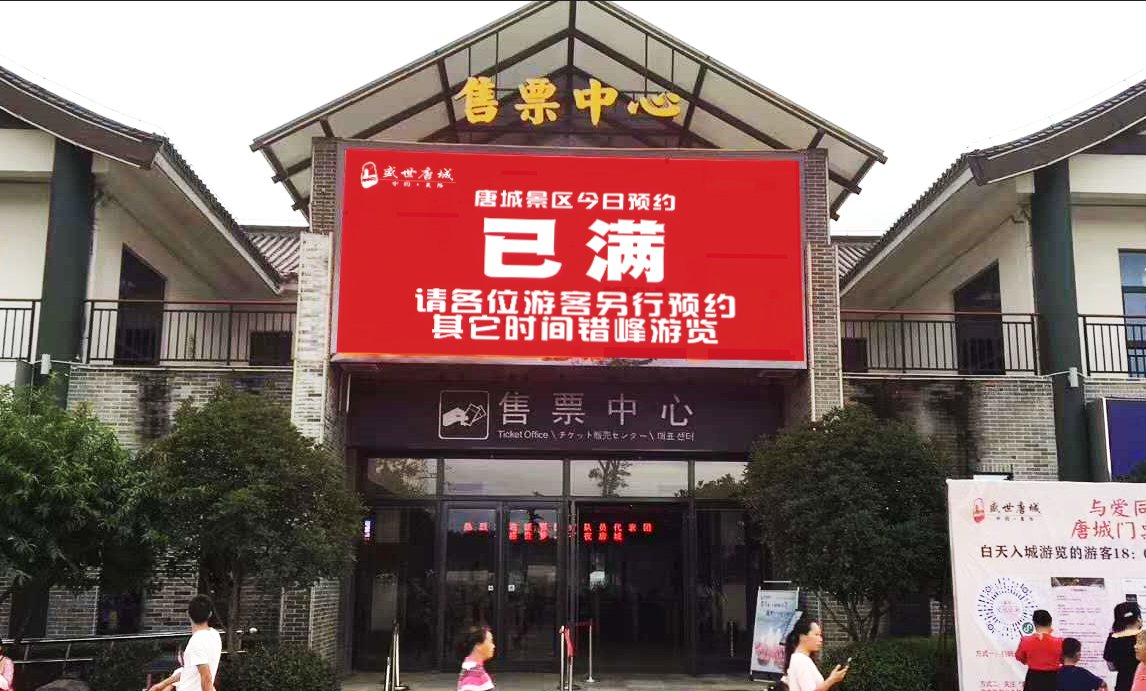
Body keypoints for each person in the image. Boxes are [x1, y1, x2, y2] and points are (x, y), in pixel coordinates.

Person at [148, 594, 223, 691]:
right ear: (210, 614)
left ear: (188, 614)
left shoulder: (197, 641)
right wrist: (162, 684)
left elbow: (206, 677)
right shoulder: (215, 635)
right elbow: (189, 672)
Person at [782, 618, 848, 691]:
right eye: (816, 635)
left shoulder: (799, 658)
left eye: (820, 635)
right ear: (802, 637)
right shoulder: (801, 660)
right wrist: (831, 680)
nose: (820, 639)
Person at [1016, 609, 1063, 691]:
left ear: (1034, 623)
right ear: (1050, 623)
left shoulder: (1025, 640)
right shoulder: (1060, 642)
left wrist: (1030, 660)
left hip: (1033, 678)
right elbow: (1063, 660)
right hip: (1053, 678)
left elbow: (1020, 657)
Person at [1106, 602, 1143, 691]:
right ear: (1138, 618)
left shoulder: (1112, 638)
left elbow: (1111, 667)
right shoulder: (1143, 638)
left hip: (1123, 685)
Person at [457, 625, 496, 691]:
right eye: (490, 641)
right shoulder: (474, 673)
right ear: (478, 645)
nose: (493, 646)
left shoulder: (472, 669)